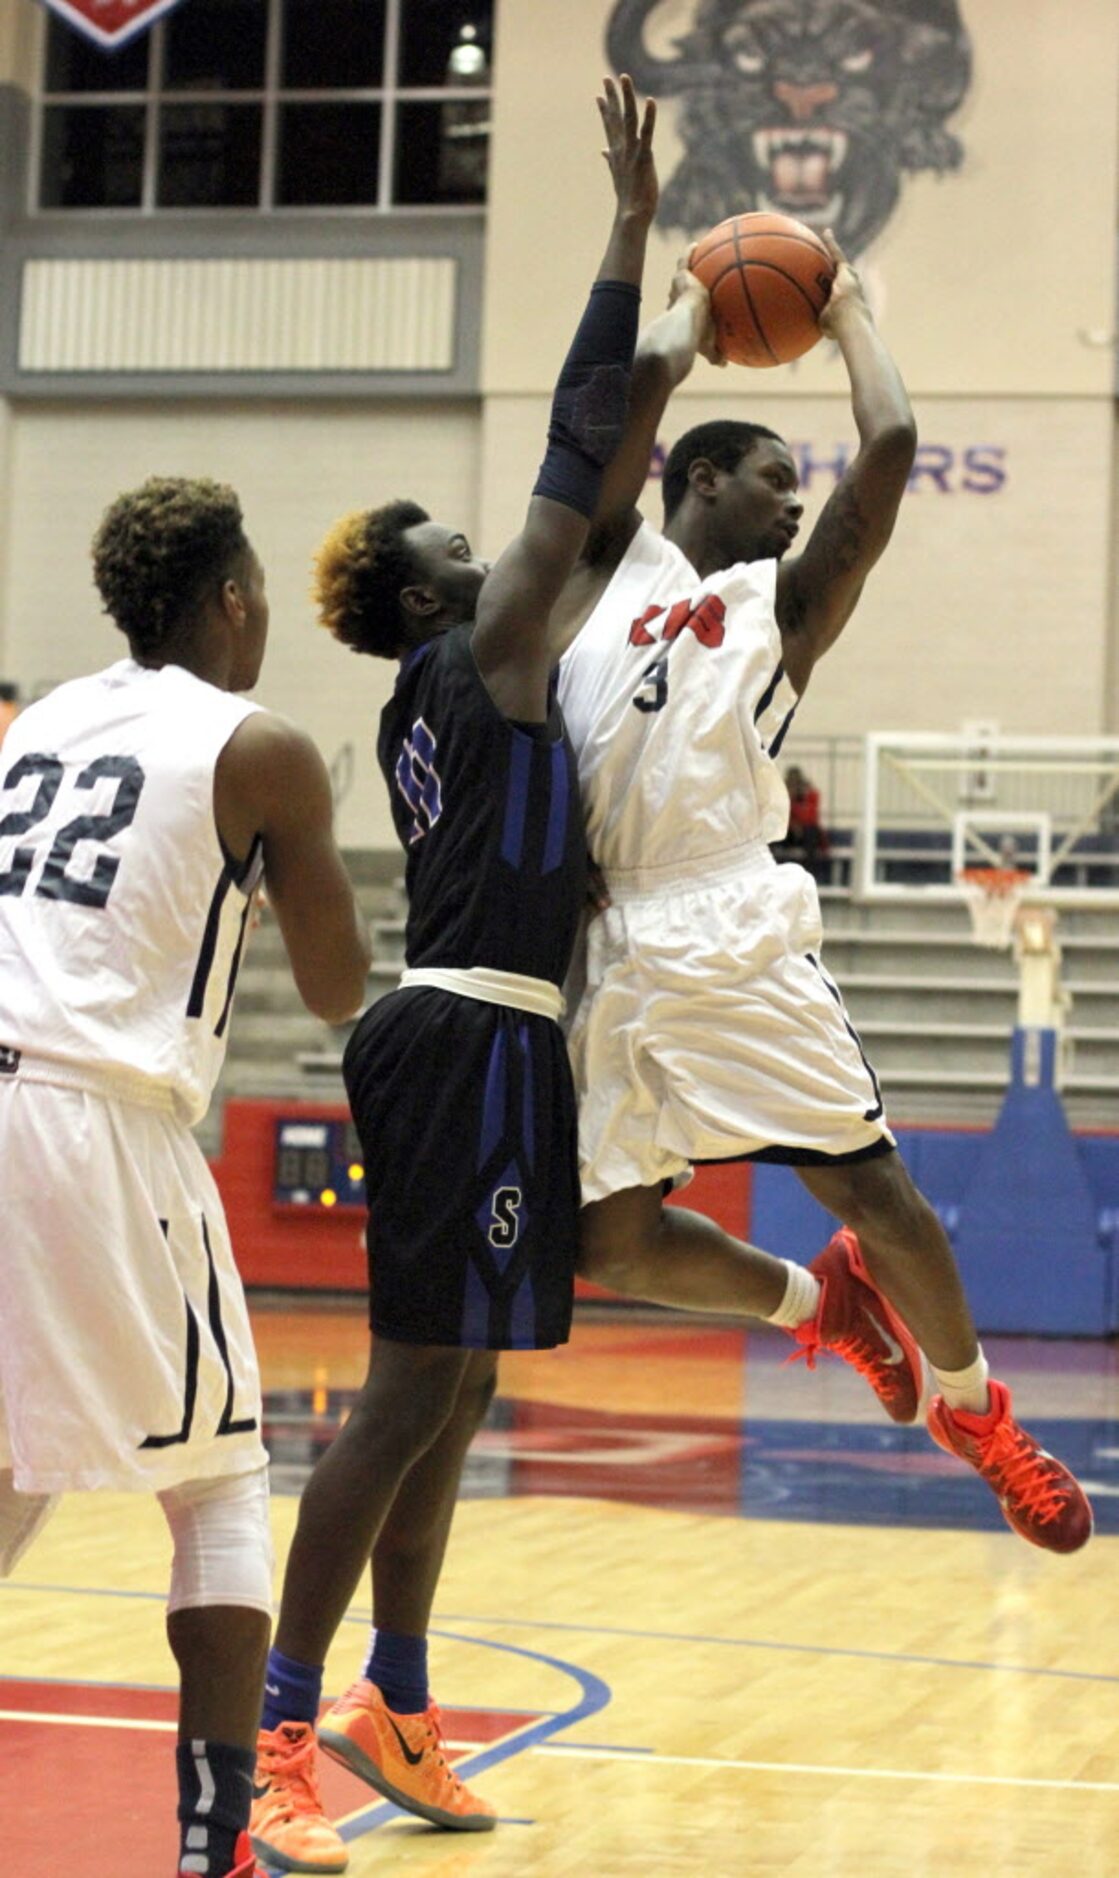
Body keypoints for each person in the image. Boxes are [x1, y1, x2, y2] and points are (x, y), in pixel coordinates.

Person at [247, 76, 657, 1874]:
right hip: (465, 1034)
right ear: (422, 592)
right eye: (443, 537)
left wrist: (659, 372)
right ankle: (275, 1732)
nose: (473, 541)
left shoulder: (489, 665)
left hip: (500, 1039)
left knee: (460, 1388)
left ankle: (395, 1703)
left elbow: (611, 502)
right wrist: (638, 249)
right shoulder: (478, 652)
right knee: (407, 1393)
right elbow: (581, 459)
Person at [547, 247, 1092, 1555]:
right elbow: (618, 408)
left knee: (873, 1187)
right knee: (606, 1243)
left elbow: (890, 440)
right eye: (769, 480)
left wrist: (841, 313)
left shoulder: (776, 605)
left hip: (723, 916)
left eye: (799, 484)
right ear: (695, 479)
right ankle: (820, 1307)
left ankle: (973, 1410)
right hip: (604, 937)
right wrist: (686, 304)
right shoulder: (593, 570)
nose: (794, 506)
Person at [0, 475, 372, 1878]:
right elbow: (337, 989)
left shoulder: (43, 718)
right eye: (261, 588)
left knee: (7, 1473)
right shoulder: (261, 745)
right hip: (96, 1122)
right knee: (219, 1482)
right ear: (229, 597)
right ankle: (215, 1848)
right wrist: (274, 882)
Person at [773, 762, 829, 881]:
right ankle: (772, 875)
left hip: (805, 833)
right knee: (772, 836)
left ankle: (810, 875)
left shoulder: (809, 794)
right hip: (788, 832)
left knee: (811, 834)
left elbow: (811, 817)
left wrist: (801, 800)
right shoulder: (781, 794)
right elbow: (778, 815)